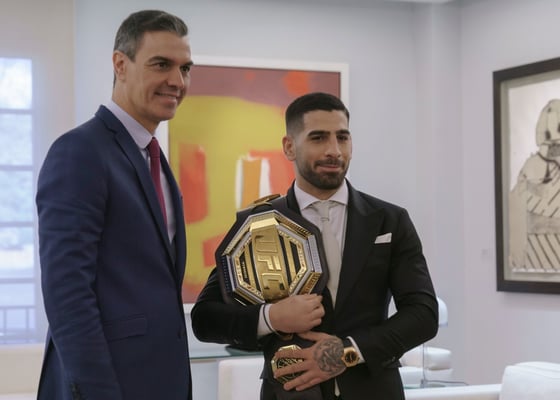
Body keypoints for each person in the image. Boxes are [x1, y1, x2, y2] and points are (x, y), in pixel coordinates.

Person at [191, 92, 439, 400]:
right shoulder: (258, 225)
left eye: (342, 137)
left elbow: (423, 314)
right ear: (289, 147)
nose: (334, 150)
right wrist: (272, 317)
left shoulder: (390, 220)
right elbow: (205, 319)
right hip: (290, 393)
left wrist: (346, 352)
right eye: (318, 138)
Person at [36, 10, 194, 400]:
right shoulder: (80, 151)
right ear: (120, 65)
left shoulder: (153, 158)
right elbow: (68, 295)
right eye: (162, 64)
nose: (177, 81)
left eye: (185, 68)